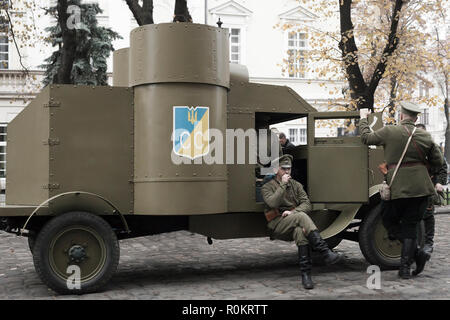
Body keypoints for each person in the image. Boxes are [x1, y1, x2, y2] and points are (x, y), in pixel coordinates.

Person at [359, 102, 444, 279]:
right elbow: (438, 161)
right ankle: (407, 267)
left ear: (401, 116)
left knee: (388, 219)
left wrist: (363, 120)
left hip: (396, 186)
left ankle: (416, 256)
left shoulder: (390, 131)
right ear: (416, 118)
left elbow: (367, 138)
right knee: (410, 226)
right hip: (421, 188)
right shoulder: (425, 136)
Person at [261, 154, 341, 290]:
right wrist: (283, 185)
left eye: (289, 169)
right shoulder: (267, 187)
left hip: (294, 220)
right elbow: (272, 202)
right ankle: (324, 251)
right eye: (283, 169)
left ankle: (306, 275)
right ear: (276, 170)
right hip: (277, 223)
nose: (287, 172)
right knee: (302, 216)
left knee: (300, 232)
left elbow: (306, 204)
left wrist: (293, 212)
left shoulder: (296, 185)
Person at [415, 123, 447, 257]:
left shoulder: (433, 148)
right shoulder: (411, 147)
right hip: (415, 185)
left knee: (428, 215)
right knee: (414, 215)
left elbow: (442, 168)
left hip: (429, 185)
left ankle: (428, 243)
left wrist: (439, 183)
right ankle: (416, 242)